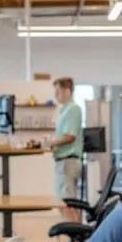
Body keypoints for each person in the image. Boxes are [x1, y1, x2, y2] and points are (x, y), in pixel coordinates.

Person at [50, 76, 84, 216]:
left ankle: (74, 229)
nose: (55, 95)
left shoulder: (73, 109)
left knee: (68, 204)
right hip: (62, 161)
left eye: (58, 91)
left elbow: (70, 136)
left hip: (68, 161)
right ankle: (69, 228)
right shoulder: (63, 110)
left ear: (68, 91)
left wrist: (50, 143)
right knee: (62, 202)